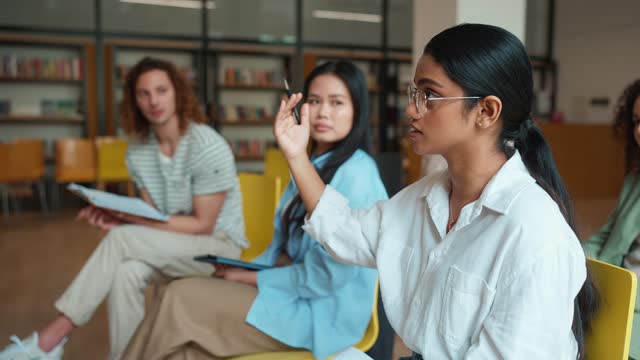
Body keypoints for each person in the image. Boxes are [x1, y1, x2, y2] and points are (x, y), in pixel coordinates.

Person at [274, 23, 599, 359]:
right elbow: (346, 231)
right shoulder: (429, 194)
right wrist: (297, 156)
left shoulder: (534, 232)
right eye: (414, 94)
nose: (411, 110)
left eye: (429, 95)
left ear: (486, 112)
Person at [121, 60, 388, 360]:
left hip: (321, 315)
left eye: (337, 102)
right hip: (291, 292)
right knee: (183, 349)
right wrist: (245, 269)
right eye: (314, 101)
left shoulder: (358, 173)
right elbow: (280, 247)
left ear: (358, 110)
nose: (324, 112)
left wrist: (250, 279)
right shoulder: (310, 165)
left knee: (177, 298)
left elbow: (328, 277)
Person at [0, 57, 246, 360]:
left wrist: (127, 225)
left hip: (219, 249)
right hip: (178, 247)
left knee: (121, 240)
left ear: (178, 94)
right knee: (125, 272)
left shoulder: (207, 145)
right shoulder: (138, 151)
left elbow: (201, 225)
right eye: (143, 93)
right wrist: (119, 218)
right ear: (134, 101)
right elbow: (154, 216)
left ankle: (51, 338)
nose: (153, 101)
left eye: (161, 90)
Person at [583, 79, 640, 359]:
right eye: (637, 121)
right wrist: (571, 260)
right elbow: (607, 235)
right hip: (615, 298)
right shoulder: (635, 180)